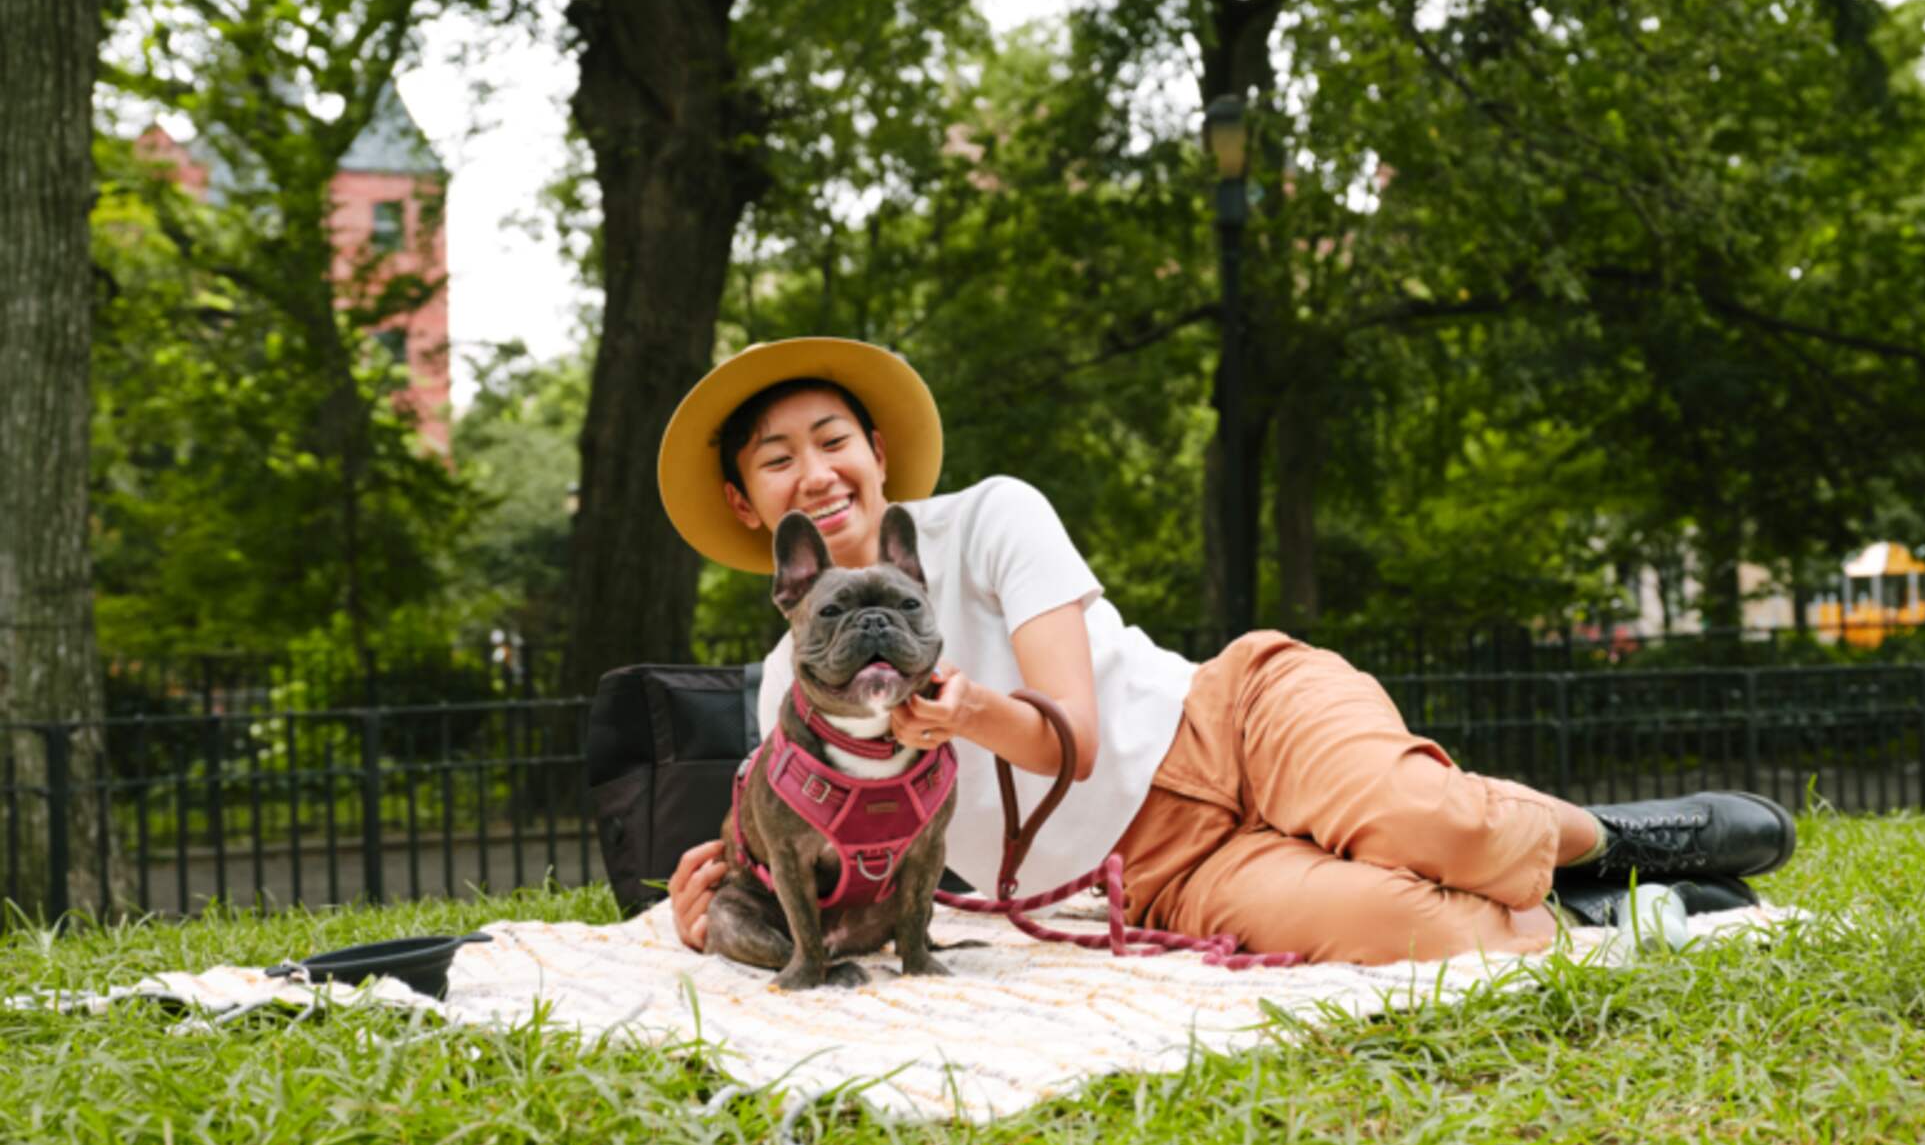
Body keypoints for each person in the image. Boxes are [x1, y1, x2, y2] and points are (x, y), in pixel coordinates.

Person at [657, 339, 1797, 967]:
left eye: (834, 439)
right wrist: (720, 899)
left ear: (876, 450)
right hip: (1153, 872)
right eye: (777, 460)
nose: (817, 472)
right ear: (748, 505)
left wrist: (970, 715)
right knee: (1415, 934)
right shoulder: (785, 691)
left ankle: (1616, 840)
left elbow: (1074, 732)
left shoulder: (995, 514)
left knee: (1438, 826)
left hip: (1233, 718)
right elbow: (818, 857)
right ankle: (1609, 914)